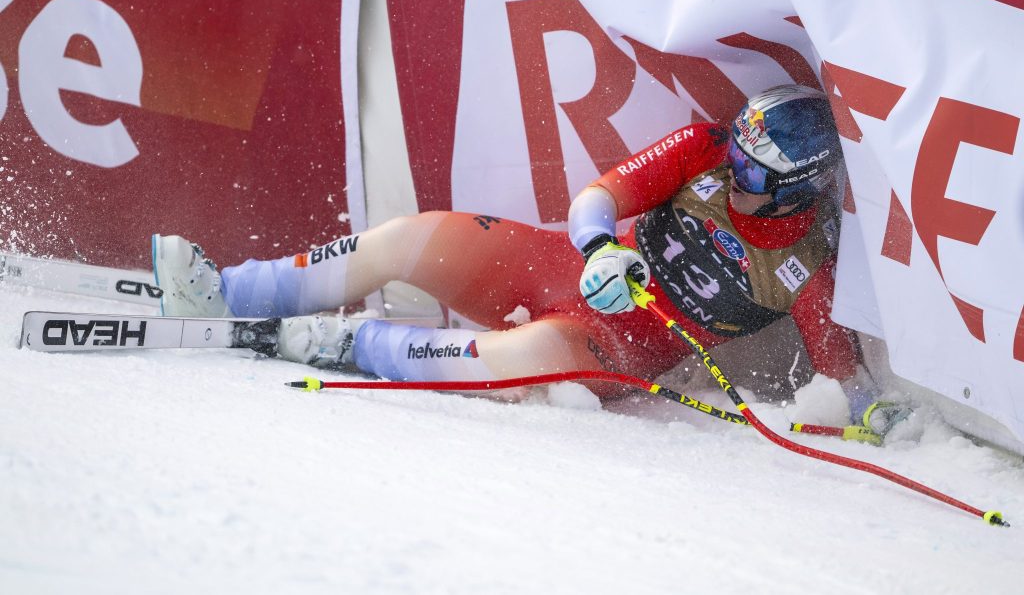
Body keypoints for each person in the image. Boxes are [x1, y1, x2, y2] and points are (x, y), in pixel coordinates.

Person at [152, 84, 906, 438]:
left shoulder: (807, 262)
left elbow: (840, 367)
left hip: (614, 349)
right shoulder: (707, 147)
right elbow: (600, 195)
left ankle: (340, 344)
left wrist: (878, 409)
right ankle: (232, 290)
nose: (730, 165)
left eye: (749, 170)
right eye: (733, 150)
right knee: (409, 238)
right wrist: (600, 246)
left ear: (790, 193)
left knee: (507, 363)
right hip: (566, 270)